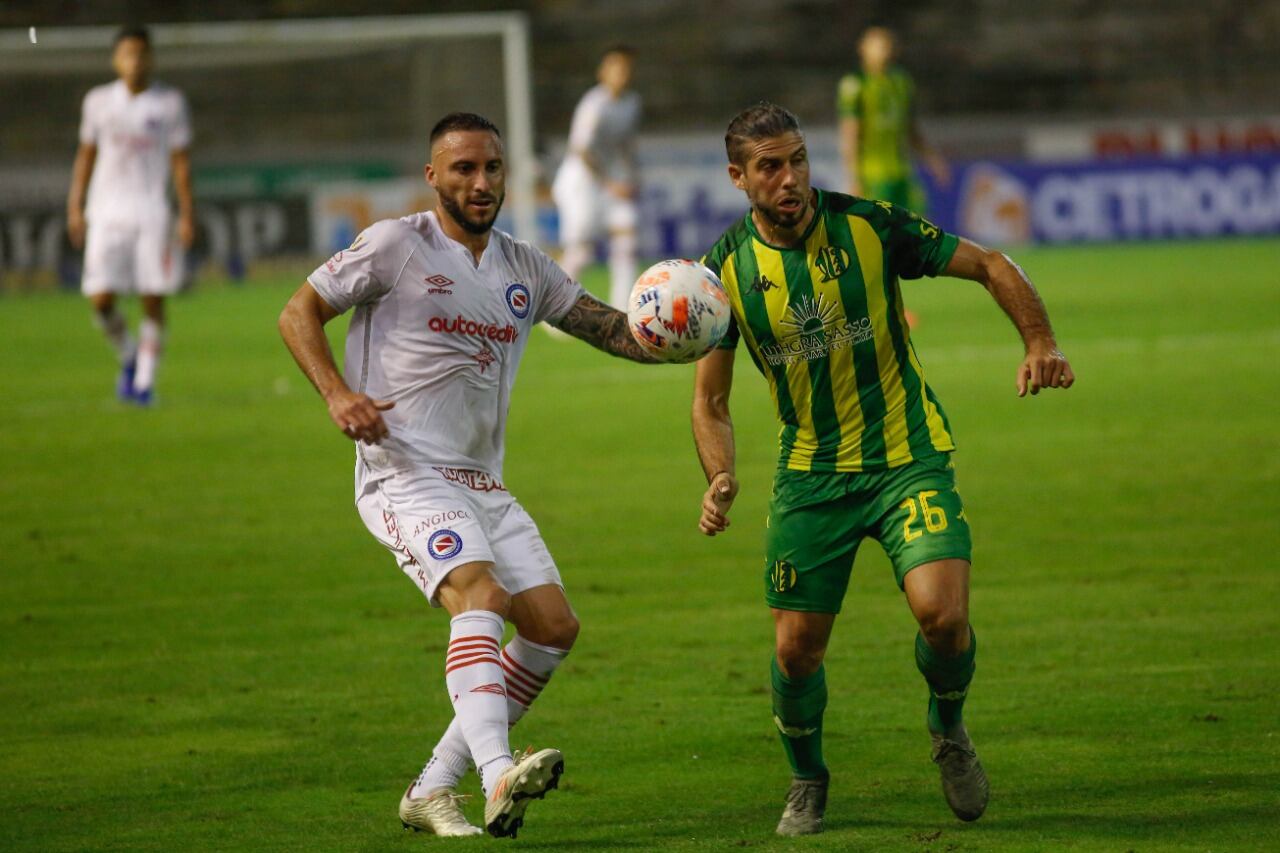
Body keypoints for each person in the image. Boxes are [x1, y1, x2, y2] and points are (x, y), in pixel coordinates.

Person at [690, 102, 1074, 836]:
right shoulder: (722, 274)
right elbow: (710, 400)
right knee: (795, 650)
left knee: (946, 615)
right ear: (738, 177)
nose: (791, 178)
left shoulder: (869, 225)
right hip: (810, 477)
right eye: (770, 166)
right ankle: (807, 779)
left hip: (906, 457)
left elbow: (990, 262)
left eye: (798, 159)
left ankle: (948, 728)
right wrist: (719, 474)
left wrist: (1039, 339)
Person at [278, 112, 656, 839]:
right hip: (403, 469)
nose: (480, 183)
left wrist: (681, 333)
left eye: (491, 168)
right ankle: (496, 773)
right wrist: (338, 394)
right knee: (478, 593)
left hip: (483, 479)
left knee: (551, 628)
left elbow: (608, 327)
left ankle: (430, 787)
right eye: (463, 170)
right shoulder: (396, 244)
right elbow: (299, 312)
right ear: (433, 177)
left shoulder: (525, 266)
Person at [67, 24, 194, 405]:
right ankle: (129, 356)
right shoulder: (98, 102)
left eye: (141, 54)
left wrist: (186, 213)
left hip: (152, 210)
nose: (135, 61)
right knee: (100, 298)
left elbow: (181, 163)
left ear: (151, 58)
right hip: (105, 212)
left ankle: (143, 384)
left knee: (152, 298)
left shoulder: (170, 102)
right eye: (127, 54)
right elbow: (85, 156)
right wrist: (75, 206)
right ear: (115, 59)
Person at [552, 45, 641, 310]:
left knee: (627, 236)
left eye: (625, 68)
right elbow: (581, 150)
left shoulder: (632, 103)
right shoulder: (594, 104)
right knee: (582, 250)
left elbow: (626, 145)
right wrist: (610, 183)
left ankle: (624, 311)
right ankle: (553, 306)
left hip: (611, 180)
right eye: (615, 67)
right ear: (602, 72)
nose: (620, 73)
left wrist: (632, 177)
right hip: (581, 182)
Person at [837, 26, 949, 212]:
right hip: (872, 175)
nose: (884, 51)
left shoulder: (902, 82)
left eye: (887, 46)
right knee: (881, 230)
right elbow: (850, 134)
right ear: (862, 48)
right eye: (877, 46)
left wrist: (932, 159)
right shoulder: (855, 85)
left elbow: (911, 129)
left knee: (917, 226)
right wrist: (853, 179)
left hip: (902, 172)